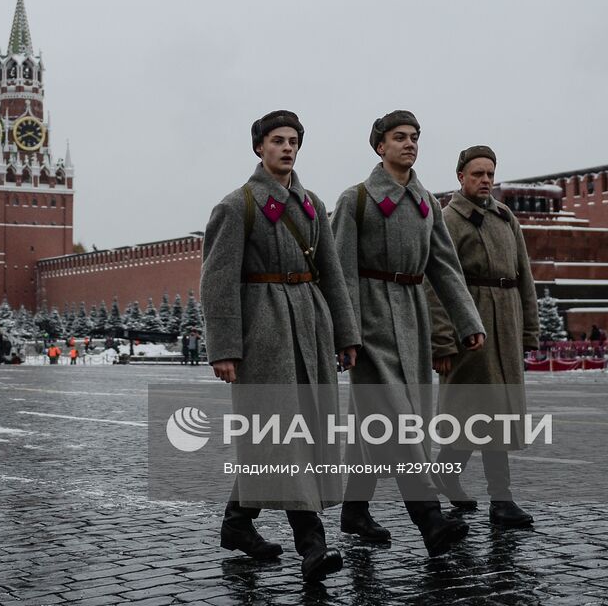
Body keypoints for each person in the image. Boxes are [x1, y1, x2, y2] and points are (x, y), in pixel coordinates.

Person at [203, 109, 360, 582]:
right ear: (259, 148)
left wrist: (346, 333)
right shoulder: (238, 206)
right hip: (266, 332)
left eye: (293, 141)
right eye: (277, 140)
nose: (287, 148)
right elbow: (217, 282)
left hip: (310, 327)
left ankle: (237, 522)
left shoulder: (312, 203)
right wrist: (224, 347)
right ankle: (312, 546)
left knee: (294, 434)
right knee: (281, 435)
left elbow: (331, 272)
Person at [331, 111, 481, 556]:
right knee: (397, 423)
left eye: (414, 137)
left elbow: (444, 268)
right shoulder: (355, 200)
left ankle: (354, 510)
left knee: (374, 424)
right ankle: (429, 520)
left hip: (412, 320)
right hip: (371, 322)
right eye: (399, 137)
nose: (410, 144)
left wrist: (467, 321)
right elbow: (339, 274)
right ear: (380, 145)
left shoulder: (427, 205)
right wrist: (346, 334)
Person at [426, 145, 538, 528]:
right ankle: (501, 500)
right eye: (477, 174)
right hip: (468, 328)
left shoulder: (506, 217)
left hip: (504, 325)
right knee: (478, 414)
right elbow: (435, 283)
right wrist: (441, 339)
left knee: (496, 413)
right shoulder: (447, 220)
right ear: (461, 177)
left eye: (490, 173)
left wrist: (529, 331)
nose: (486, 180)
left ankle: (448, 473)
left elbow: (524, 277)